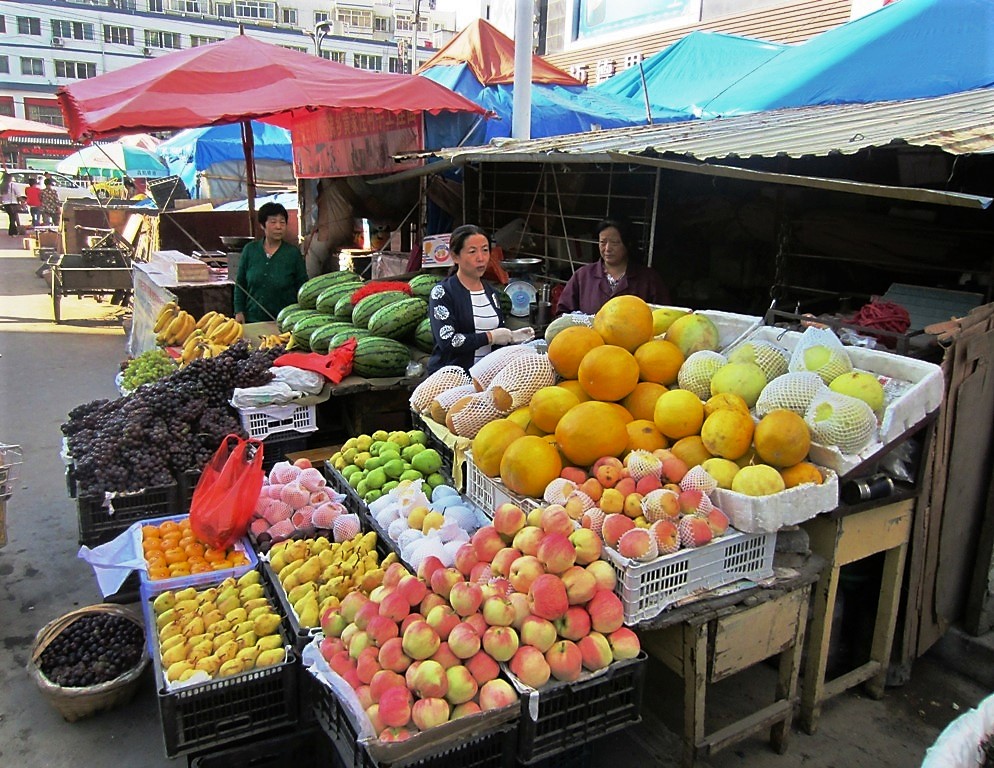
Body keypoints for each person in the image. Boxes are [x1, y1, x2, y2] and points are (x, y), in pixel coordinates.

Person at [427, 224, 534, 374]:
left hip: (486, 377)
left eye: (485, 250)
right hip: (452, 378)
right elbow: (449, 341)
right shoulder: (442, 293)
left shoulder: (492, 293)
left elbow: (495, 337)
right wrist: (490, 337)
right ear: (455, 256)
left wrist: (511, 337)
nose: (481, 258)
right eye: (472, 252)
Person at [556, 217, 668, 315]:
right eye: (603, 242)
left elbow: (664, 316)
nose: (607, 249)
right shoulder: (583, 276)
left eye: (615, 243)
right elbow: (563, 314)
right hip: (589, 339)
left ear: (628, 243)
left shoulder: (648, 279)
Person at [233, 201, 308, 324]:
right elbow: (240, 284)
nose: (279, 227)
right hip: (253, 320)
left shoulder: (293, 253)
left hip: (286, 322)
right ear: (263, 225)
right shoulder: (250, 250)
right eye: (273, 222)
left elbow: (303, 287)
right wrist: (239, 311)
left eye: (282, 222)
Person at [1, 171, 21, 236]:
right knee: (13, 217)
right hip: (13, 202)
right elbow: (18, 194)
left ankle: (13, 231)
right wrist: (21, 202)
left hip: (6, 203)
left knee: (11, 216)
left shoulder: (2, 186)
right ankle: (12, 231)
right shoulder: (13, 185)